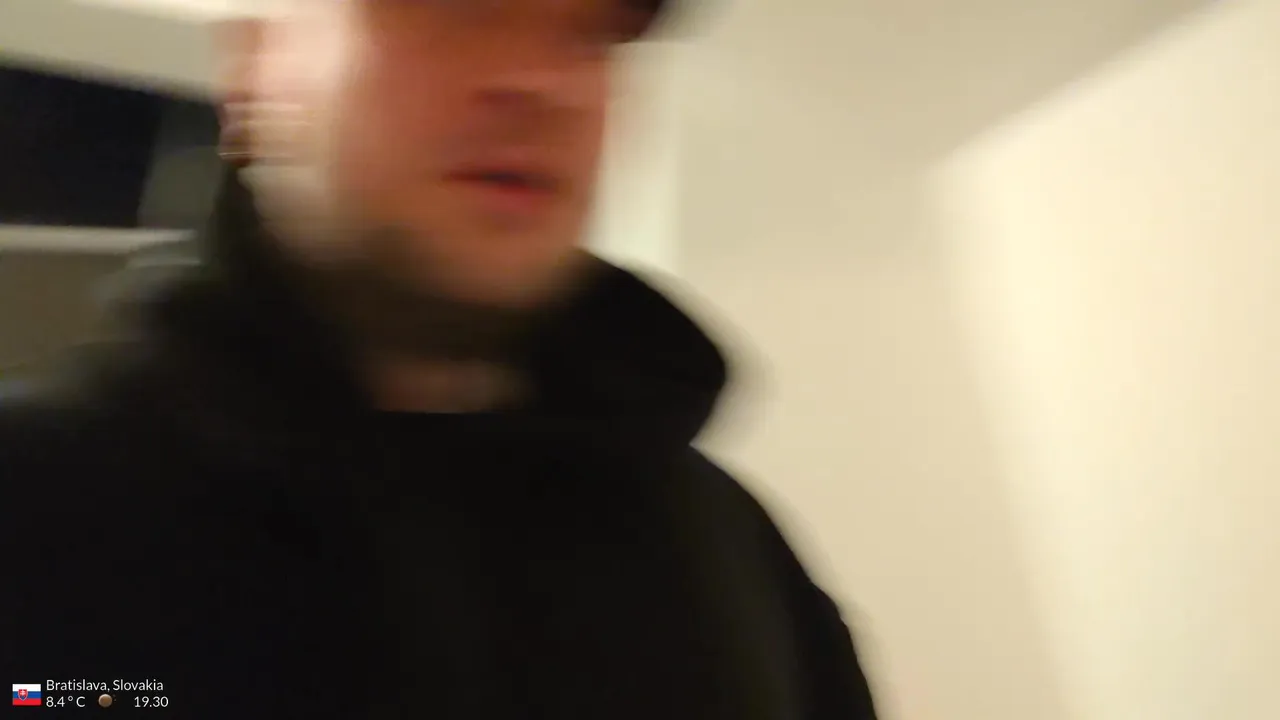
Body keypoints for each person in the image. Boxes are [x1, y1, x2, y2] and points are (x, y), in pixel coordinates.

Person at [0, 1, 879, 718]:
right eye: (459, 8)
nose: (540, 81)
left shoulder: (733, 552)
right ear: (256, 70)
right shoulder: (39, 514)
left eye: (591, 35)